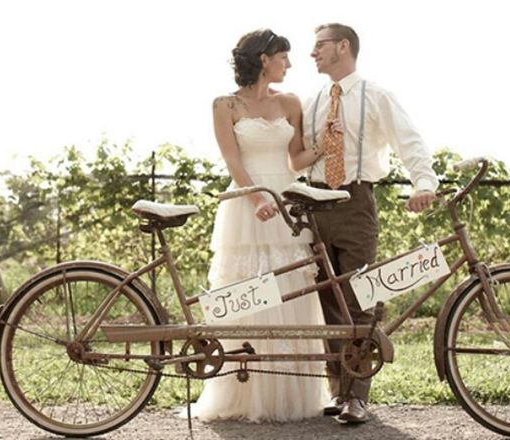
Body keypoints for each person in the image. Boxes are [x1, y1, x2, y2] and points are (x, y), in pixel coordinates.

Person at [185, 29, 330, 423]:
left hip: (288, 201)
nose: (290, 63)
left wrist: (326, 145)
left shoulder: (291, 102)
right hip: (248, 204)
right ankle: (244, 394)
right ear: (265, 58)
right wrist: (256, 200)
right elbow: (233, 161)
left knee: (292, 289)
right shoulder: (225, 104)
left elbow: (296, 159)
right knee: (249, 291)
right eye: (284, 56)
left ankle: (290, 395)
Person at [299, 23, 439, 424]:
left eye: (320, 45)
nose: (313, 53)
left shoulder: (377, 95)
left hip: (356, 201)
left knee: (361, 296)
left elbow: (408, 140)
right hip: (313, 202)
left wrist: (424, 182)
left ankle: (358, 395)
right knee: (329, 303)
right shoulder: (311, 101)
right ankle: (338, 391)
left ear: (344, 47)